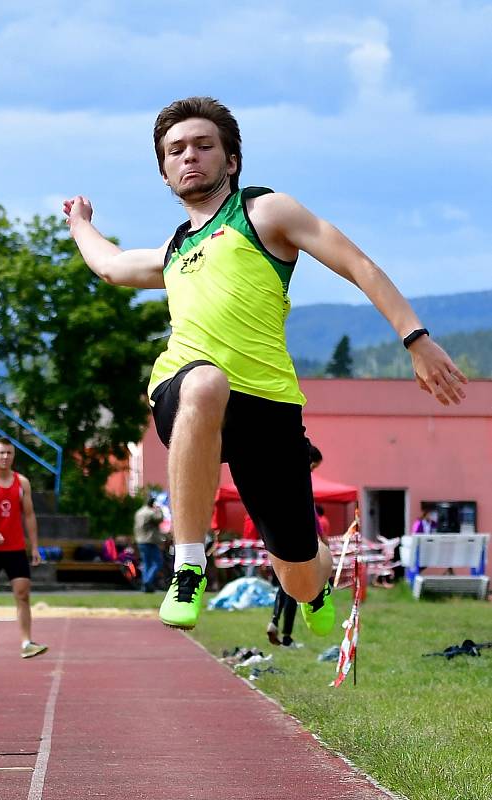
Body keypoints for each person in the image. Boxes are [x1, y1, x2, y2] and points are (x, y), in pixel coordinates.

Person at [63, 96, 467, 635]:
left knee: (299, 576)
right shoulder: (174, 251)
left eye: (204, 146)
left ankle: (317, 576)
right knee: (204, 381)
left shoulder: (265, 212)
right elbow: (112, 265)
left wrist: (415, 338)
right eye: (176, 150)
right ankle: (188, 564)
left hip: (268, 404)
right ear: (164, 172)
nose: (190, 157)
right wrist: (80, 225)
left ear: (231, 160)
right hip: (186, 388)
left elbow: (357, 263)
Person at [0, 437, 48, 659]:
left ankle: (26, 643)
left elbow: (29, 514)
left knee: (22, 593)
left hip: (15, 548)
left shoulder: (21, 482)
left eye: (9, 453)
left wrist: (34, 546)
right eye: (1, 453)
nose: (5, 457)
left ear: (13, 456)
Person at [267, 443, 324, 648]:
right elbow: (308, 508)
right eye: (313, 467)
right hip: (294, 534)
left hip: (275, 534)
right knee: (293, 588)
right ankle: (288, 637)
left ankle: (274, 620)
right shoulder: (301, 476)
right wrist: (320, 535)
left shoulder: (280, 470)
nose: (312, 471)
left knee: (283, 584)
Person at [134, 494, 164, 592]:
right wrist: (159, 509)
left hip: (140, 541)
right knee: (157, 562)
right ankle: (148, 581)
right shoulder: (151, 513)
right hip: (150, 541)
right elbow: (160, 519)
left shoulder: (138, 512)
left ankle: (145, 585)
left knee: (146, 563)